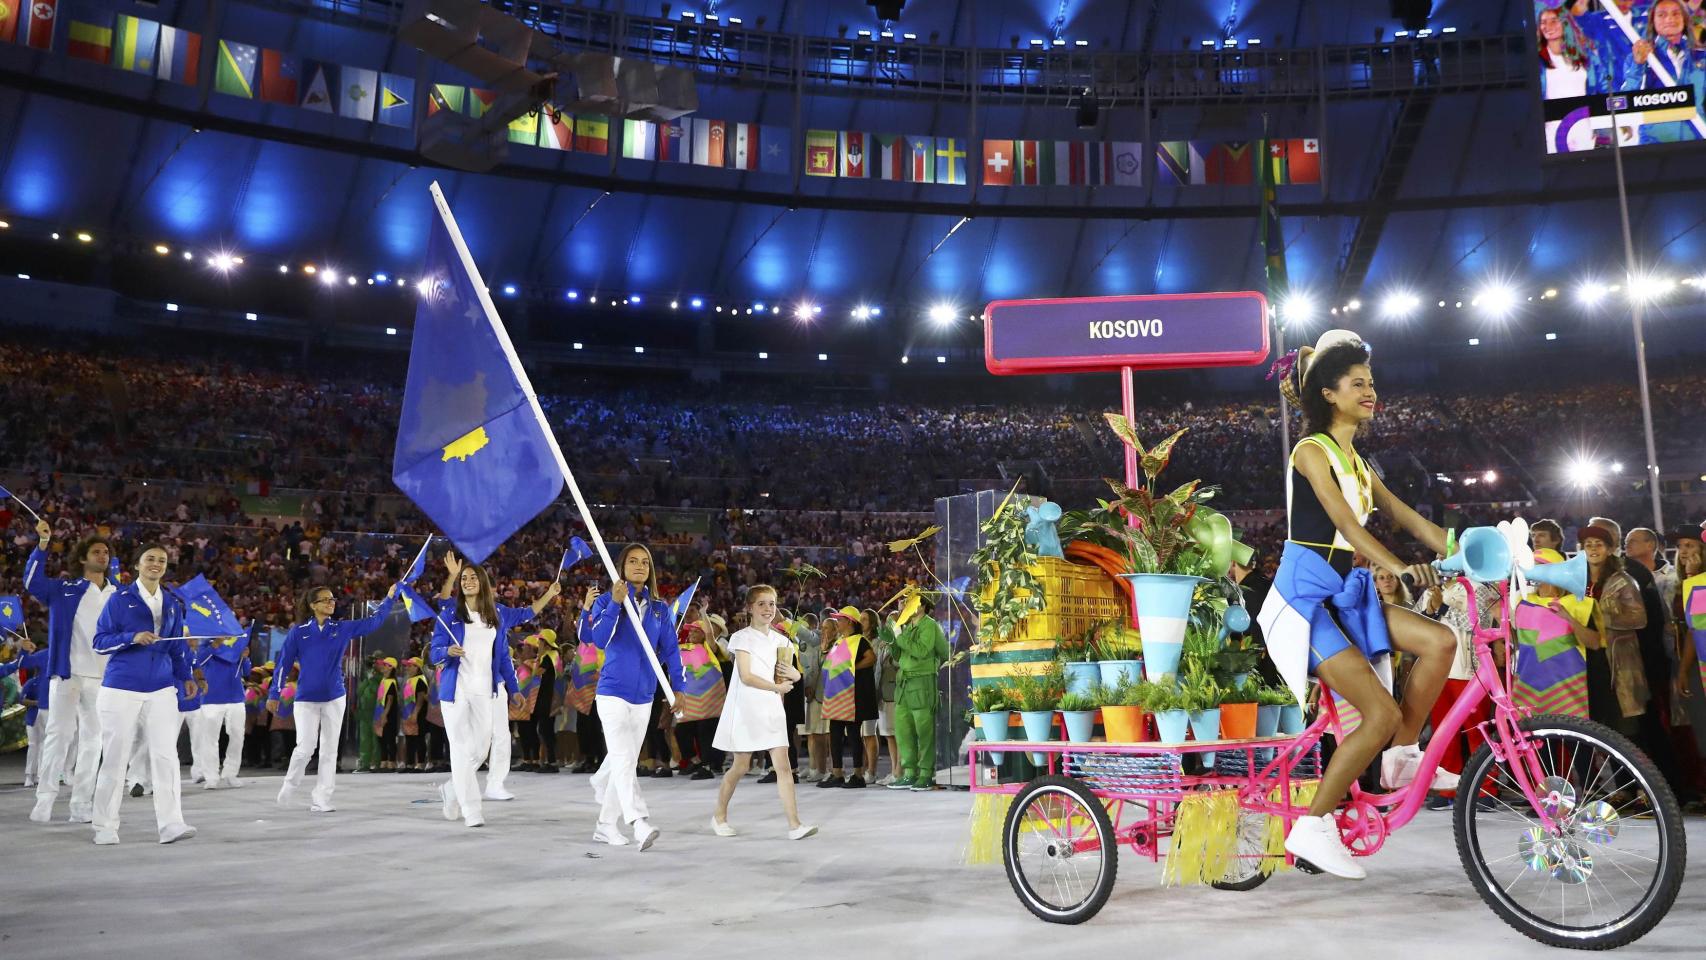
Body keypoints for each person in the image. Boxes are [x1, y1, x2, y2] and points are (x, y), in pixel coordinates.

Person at [1259, 330, 1459, 880]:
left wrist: (1472, 548)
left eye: (1371, 382)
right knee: (1380, 712)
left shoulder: (1360, 463)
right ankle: (1313, 827)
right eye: (1357, 383)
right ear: (1328, 393)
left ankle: (1403, 757)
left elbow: (1411, 519)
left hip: (1345, 596)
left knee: (1440, 641)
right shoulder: (1310, 451)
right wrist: (1400, 567)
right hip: (1305, 603)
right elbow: (1347, 526)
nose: (1370, 391)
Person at [430, 553, 559, 828]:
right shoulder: (451, 614)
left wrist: (514, 689)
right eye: (464, 578)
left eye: (473, 577)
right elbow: (434, 652)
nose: (468, 581)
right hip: (456, 690)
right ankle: (471, 809)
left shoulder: (497, 614)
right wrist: (446, 651)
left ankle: (452, 789)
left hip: (484, 690)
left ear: (483, 582)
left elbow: (508, 646)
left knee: (480, 748)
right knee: (460, 748)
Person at [89, 542, 197, 845]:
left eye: (162, 560)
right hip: (121, 688)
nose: (156, 564)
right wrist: (132, 637)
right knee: (115, 757)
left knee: (166, 756)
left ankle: (171, 824)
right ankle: (105, 826)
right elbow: (99, 641)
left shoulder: (172, 602)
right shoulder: (119, 599)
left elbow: (176, 646)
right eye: (150, 559)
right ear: (137, 564)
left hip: (161, 688)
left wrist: (185, 676)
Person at [579, 543, 686, 850]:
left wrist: (678, 688)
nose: (640, 566)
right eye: (633, 561)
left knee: (622, 762)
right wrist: (615, 603)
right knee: (625, 760)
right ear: (621, 567)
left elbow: (671, 650)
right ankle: (638, 822)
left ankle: (604, 824)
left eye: (645, 562)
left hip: (645, 696)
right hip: (612, 692)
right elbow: (599, 639)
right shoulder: (606, 601)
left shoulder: (659, 609)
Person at [270, 582, 396, 814]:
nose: (331, 603)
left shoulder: (341, 628)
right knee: (305, 747)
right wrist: (274, 693)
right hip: (306, 698)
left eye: (332, 599)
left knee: (329, 750)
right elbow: (283, 665)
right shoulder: (298, 632)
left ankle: (322, 798)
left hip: (335, 697)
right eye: (326, 599)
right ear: (313, 605)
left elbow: (373, 622)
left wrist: (388, 600)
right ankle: (290, 784)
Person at [24, 519, 116, 825]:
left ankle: (81, 804)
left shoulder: (118, 594)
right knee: (59, 735)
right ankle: (45, 799)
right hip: (68, 674)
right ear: (83, 559)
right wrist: (42, 545)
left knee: (93, 741)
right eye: (96, 551)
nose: (102, 555)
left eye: (106, 552)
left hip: (104, 678)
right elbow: (32, 583)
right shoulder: (64, 589)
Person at [710, 584, 817, 840]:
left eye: (772, 603)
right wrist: (777, 687)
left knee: (783, 766)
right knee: (740, 766)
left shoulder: (783, 641)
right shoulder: (741, 637)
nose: (768, 609)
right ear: (750, 608)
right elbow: (746, 676)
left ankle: (795, 825)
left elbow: (789, 674)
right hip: (746, 709)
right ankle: (719, 816)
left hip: (772, 710)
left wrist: (795, 675)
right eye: (761, 604)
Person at [881, 603, 951, 791]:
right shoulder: (908, 626)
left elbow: (921, 651)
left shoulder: (929, 625)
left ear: (921, 605)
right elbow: (898, 656)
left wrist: (899, 635)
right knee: (903, 731)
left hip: (922, 682)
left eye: (908, 601)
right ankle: (910, 772)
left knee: (924, 731)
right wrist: (892, 640)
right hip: (904, 685)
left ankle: (926, 773)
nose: (903, 605)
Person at [1624, 0, 1706, 143]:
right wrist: (1638, 65)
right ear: (1653, 21)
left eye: (1676, 14)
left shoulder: (1701, 58)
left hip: (1697, 139)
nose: (1669, 19)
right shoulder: (1641, 58)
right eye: (1661, 15)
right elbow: (1626, 99)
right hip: (1655, 144)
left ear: (1684, 19)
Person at [818, 606, 878, 789]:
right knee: (835, 733)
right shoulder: (839, 641)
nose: (837, 622)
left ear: (850, 622)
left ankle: (858, 775)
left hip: (853, 696)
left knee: (853, 734)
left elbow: (871, 658)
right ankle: (837, 773)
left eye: (840, 619)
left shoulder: (860, 640)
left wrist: (852, 669)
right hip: (837, 695)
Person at [193, 636, 249, 789]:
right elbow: (198, 663)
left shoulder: (237, 644)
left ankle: (231, 773)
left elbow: (246, 671)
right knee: (209, 739)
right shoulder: (205, 644)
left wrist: (245, 658)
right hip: (211, 698)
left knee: (238, 736)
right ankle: (211, 776)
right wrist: (215, 644)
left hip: (236, 697)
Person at [372, 657, 398, 772]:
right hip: (380, 713)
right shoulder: (384, 680)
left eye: (385, 665)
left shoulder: (391, 682)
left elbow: (390, 700)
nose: (382, 666)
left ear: (391, 668)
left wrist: (384, 714)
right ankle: (384, 761)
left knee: (389, 738)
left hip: (389, 715)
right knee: (381, 738)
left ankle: (391, 762)